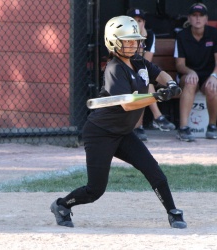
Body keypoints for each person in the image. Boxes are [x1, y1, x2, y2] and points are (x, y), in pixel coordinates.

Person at [49, 16, 186, 229]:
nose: (133, 44)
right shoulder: (114, 69)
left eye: (135, 40)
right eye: (128, 41)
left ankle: (173, 212)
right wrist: (158, 97)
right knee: (96, 190)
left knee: (153, 170)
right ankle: (62, 205)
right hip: (100, 133)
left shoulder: (139, 62)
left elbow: (159, 73)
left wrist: (169, 83)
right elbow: (128, 104)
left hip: (123, 133)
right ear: (114, 42)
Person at [174, 3, 217, 142]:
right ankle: (183, 128)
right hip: (190, 74)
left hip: (210, 74)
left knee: (212, 87)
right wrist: (190, 72)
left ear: (206, 18)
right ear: (189, 18)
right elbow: (179, 65)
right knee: (190, 82)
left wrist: (214, 76)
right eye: (194, 16)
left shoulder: (215, 34)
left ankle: (212, 126)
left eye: (201, 16)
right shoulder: (182, 36)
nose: (198, 19)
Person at [127, 8, 176, 142]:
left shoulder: (149, 36)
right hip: (121, 72)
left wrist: (142, 42)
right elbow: (126, 60)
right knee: (142, 79)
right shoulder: (121, 34)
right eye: (133, 21)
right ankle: (157, 116)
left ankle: (139, 127)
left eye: (140, 21)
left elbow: (145, 62)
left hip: (138, 73)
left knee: (143, 78)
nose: (137, 24)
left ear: (144, 23)